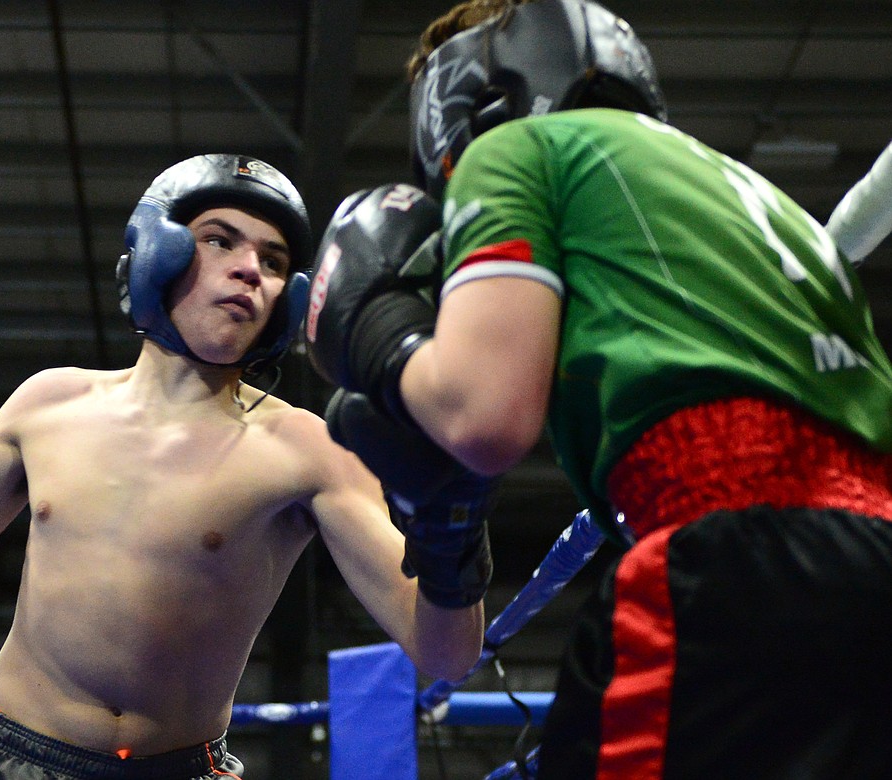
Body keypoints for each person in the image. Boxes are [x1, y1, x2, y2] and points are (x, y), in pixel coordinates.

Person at [303, 0, 892, 777]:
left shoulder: (518, 148)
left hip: (736, 565)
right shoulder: (744, 189)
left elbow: (484, 418)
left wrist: (376, 327)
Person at [0, 153, 486, 779]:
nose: (249, 271)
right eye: (220, 241)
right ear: (157, 253)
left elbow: (444, 651)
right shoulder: (50, 405)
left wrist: (451, 518)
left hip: (185, 769)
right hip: (13, 760)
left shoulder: (307, 448)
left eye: (272, 262)